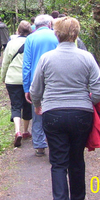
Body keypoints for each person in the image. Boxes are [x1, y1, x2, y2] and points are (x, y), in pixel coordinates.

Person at [30, 16, 100, 200]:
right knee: (76, 156)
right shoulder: (87, 57)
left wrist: (38, 104)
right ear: (76, 34)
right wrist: (86, 101)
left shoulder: (46, 58)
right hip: (81, 114)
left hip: (53, 113)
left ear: (57, 33)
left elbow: (36, 89)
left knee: (58, 161)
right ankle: (78, 199)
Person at [22, 14, 58, 157]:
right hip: (55, 78)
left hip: (36, 81)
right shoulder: (56, 35)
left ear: (35, 26)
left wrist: (26, 87)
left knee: (37, 112)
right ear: (49, 24)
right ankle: (54, 141)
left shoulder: (30, 39)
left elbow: (27, 65)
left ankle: (39, 145)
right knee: (54, 110)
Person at [0, 20, 33, 147]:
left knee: (15, 105)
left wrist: (3, 77)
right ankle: (25, 131)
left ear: (18, 31)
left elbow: (5, 62)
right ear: (30, 31)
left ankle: (17, 131)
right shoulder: (32, 42)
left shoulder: (11, 43)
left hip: (12, 79)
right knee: (27, 104)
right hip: (27, 79)